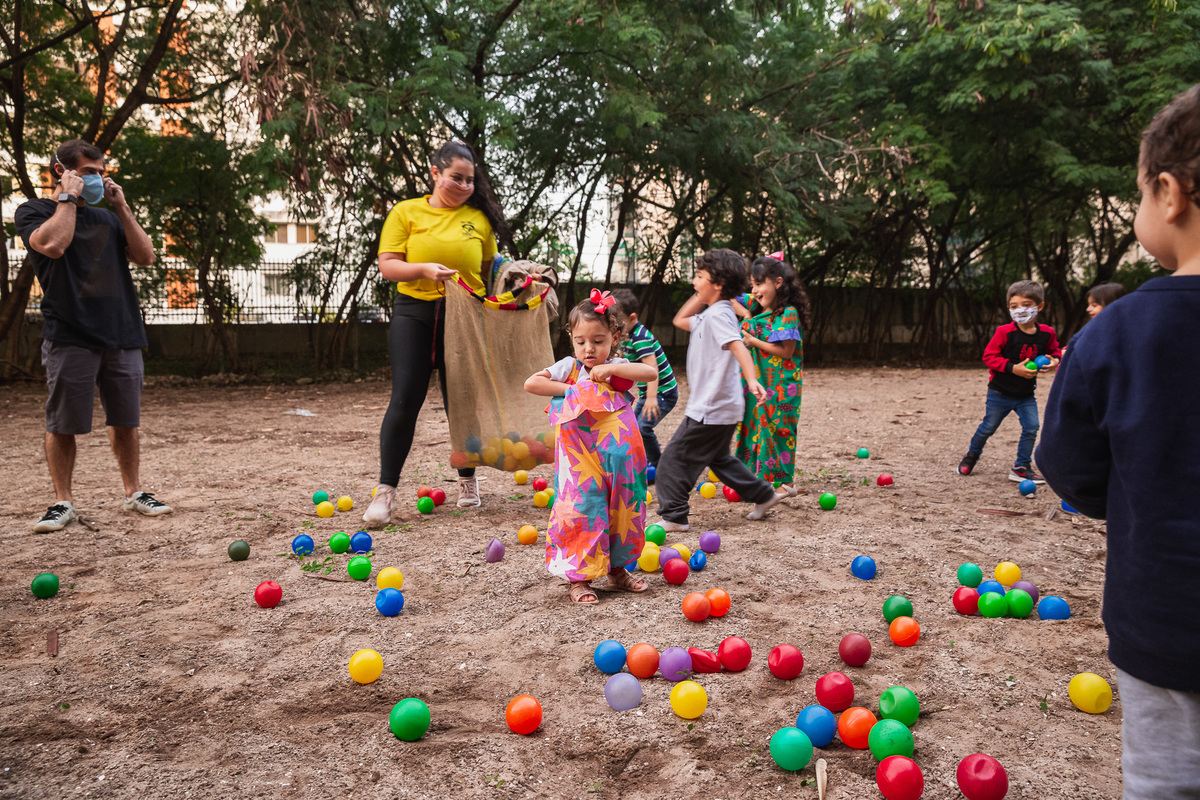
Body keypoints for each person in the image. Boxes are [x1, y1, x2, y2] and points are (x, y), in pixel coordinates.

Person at [1037, 83, 1200, 800]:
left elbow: (1068, 465)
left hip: (1168, 625)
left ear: (1170, 193)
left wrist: (1133, 497)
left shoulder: (1118, 331)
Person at [15, 139, 172, 532]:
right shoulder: (34, 211)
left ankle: (134, 493)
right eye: (88, 173)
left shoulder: (109, 219)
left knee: (125, 421)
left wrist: (121, 206)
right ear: (61, 171)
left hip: (121, 331)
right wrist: (68, 198)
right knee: (63, 423)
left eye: (101, 172)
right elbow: (53, 245)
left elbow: (146, 256)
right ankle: (62, 502)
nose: (97, 179)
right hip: (70, 334)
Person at [363, 141, 511, 526]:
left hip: (466, 315)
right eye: (455, 178)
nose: (463, 186)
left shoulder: (477, 218)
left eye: (469, 180)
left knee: (461, 399)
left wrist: (516, 276)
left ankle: (467, 481)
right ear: (435, 173)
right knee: (405, 397)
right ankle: (385, 492)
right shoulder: (406, 211)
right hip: (415, 311)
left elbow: (490, 267)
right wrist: (425, 269)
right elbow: (389, 265)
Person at [523, 291, 657, 605]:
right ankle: (579, 578)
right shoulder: (568, 367)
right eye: (581, 341)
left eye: (598, 340)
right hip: (579, 462)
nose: (589, 349)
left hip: (620, 460)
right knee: (583, 510)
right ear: (572, 339)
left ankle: (617, 570)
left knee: (621, 509)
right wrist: (575, 389)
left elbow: (649, 373)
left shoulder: (619, 366)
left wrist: (611, 371)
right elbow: (532, 383)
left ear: (614, 337)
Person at [652, 249, 791, 532]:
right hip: (721, 407)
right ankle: (764, 495)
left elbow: (738, 346)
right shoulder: (712, 313)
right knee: (720, 459)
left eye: (699, 276)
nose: (693, 281)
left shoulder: (719, 316)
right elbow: (680, 320)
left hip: (711, 408)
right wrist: (709, 292)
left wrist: (752, 380)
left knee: (671, 460)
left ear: (717, 284)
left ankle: (674, 515)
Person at [956, 279, 1062, 482]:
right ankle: (972, 455)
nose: (1020, 310)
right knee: (988, 427)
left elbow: (1054, 351)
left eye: (1027, 305)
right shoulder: (1004, 332)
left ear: (1039, 306)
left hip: (1025, 394)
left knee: (1032, 427)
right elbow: (989, 357)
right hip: (999, 392)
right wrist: (1014, 368)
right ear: (1009, 309)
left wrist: (1054, 360)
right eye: (1014, 307)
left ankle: (1021, 466)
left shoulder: (1047, 333)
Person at [731, 254, 811, 494]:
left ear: (777, 283)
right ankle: (755, 477)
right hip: (757, 381)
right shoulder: (755, 307)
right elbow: (726, 296)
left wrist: (753, 340)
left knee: (779, 429)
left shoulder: (787, 314)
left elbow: (787, 352)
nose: (754, 290)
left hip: (783, 385)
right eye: (752, 284)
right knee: (753, 425)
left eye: (759, 283)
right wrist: (746, 315)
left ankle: (786, 483)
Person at [611, 288, 677, 474]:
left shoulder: (640, 338)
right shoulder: (625, 335)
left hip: (663, 393)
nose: (616, 326)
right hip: (648, 392)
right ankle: (643, 462)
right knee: (632, 426)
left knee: (643, 428)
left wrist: (651, 398)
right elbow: (624, 358)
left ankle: (659, 466)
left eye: (618, 322)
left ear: (632, 317)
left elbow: (652, 370)